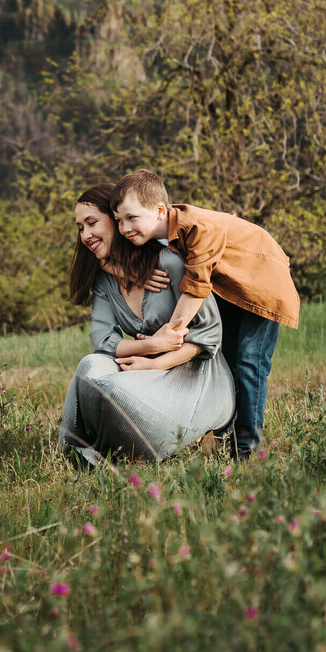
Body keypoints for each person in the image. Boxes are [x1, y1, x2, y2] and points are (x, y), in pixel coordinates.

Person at [110, 169, 300, 458]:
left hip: (263, 284)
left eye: (131, 218)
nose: (124, 228)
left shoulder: (197, 227)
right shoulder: (157, 235)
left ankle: (247, 448)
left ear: (160, 210)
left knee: (250, 361)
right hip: (233, 288)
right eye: (119, 221)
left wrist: (169, 333)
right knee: (228, 359)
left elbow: (196, 287)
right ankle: (222, 432)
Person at [59, 183, 233, 465]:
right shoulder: (105, 280)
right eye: (80, 227)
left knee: (114, 389)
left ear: (116, 223)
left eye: (92, 223)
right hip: (144, 368)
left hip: (194, 378)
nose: (85, 235)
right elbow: (102, 341)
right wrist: (150, 345)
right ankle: (71, 452)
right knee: (89, 366)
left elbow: (210, 334)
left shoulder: (169, 263)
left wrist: (155, 361)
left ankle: (115, 452)